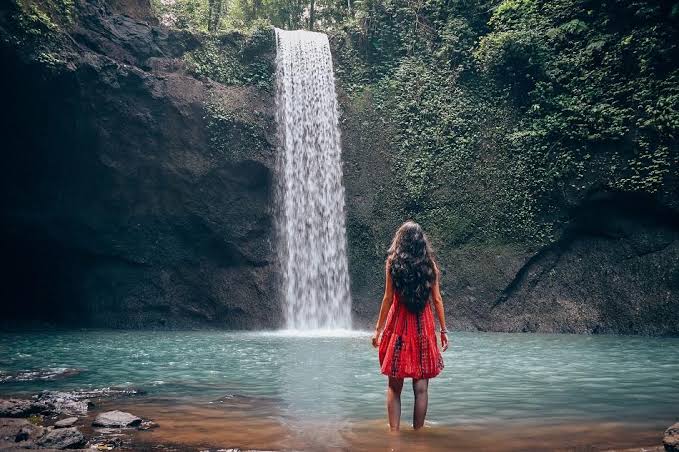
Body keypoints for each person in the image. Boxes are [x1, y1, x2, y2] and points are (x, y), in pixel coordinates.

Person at [371, 220, 449, 431]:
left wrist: (378, 330)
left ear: (400, 241)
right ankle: (418, 435)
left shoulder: (392, 264)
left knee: (394, 387)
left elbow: (387, 299)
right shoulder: (429, 265)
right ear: (421, 243)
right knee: (421, 388)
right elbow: (437, 300)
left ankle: (394, 436)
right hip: (422, 327)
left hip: (398, 327)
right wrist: (443, 330)